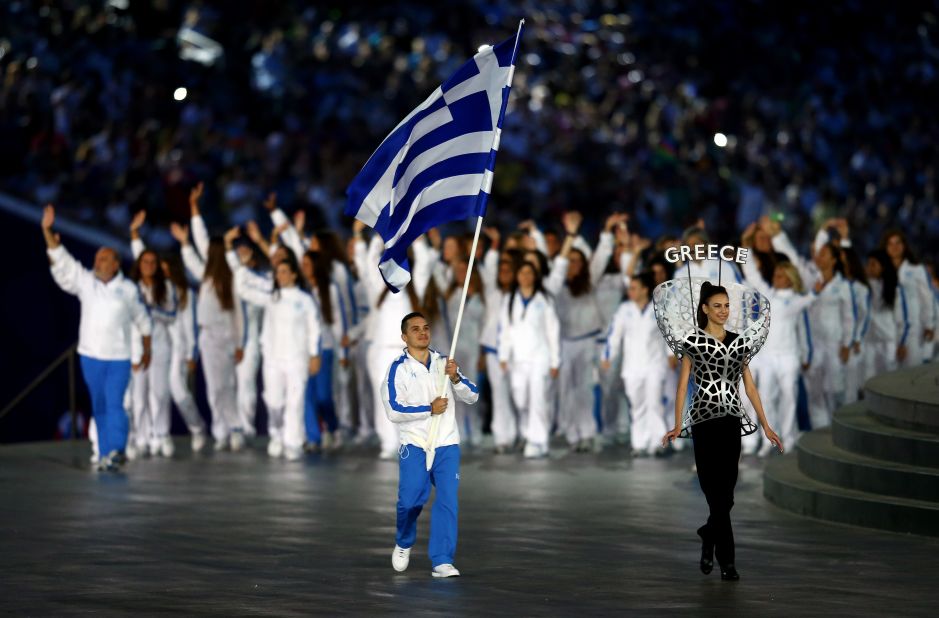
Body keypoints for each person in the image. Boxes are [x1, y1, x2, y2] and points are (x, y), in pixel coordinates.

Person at [661, 281, 783, 582]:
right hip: (703, 422)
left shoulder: (739, 341)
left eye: (727, 305)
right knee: (714, 492)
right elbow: (683, 384)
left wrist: (766, 424)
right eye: (717, 305)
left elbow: (749, 385)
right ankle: (727, 562)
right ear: (704, 309)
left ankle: (708, 534)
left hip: (730, 421)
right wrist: (678, 424)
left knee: (726, 494)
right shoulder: (693, 342)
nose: (723, 311)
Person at [41, 204, 152, 471]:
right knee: (99, 405)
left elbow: (143, 321)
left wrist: (146, 350)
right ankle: (105, 454)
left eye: (104, 259)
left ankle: (117, 450)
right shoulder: (87, 281)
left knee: (115, 404)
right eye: (97, 258)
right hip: (90, 356)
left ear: (115, 264)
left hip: (118, 358)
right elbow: (63, 261)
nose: (98, 262)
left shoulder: (127, 289)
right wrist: (46, 230)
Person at [384, 311, 479, 579]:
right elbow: (393, 409)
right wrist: (429, 408)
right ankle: (404, 541)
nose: (422, 332)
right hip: (415, 443)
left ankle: (442, 559)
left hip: (446, 443)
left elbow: (472, 396)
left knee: (448, 500)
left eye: (425, 328)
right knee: (411, 501)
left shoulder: (443, 363)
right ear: (404, 336)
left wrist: (456, 379)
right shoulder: (398, 369)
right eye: (415, 329)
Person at [232, 244, 323, 460]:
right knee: (273, 401)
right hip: (273, 358)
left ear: (293, 274)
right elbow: (242, 290)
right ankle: (276, 434)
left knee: (295, 401)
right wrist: (241, 267)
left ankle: (293, 442)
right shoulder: (271, 297)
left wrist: (314, 354)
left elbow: (314, 329)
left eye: (284, 272)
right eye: (277, 272)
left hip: (297, 359)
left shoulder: (305, 300)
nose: (280, 275)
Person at [172, 221, 246, 451]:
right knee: (214, 387)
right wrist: (184, 243)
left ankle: (236, 428)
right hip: (207, 338)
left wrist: (239, 343)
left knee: (228, 385)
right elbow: (192, 261)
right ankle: (220, 430)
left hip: (226, 338)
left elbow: (238, 316)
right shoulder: (205, 277)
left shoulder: (231, 278)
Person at [602, 272, 670, 457]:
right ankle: (639, 443)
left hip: (655, 365)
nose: (630, 291)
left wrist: (673, 354)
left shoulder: (660, 308)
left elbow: (670, 334)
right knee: (637, 405)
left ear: (645, 289)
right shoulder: (624, 310)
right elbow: (614, 334)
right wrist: (608, 355)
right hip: (632, 367)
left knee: (654, 403)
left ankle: (658, 442)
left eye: (633, 288)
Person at [498, 261, 561, 459]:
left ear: (535, 276)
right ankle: (527, 432)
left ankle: (538, 441)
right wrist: (503, 355)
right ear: (517, 276)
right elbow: (505, 330)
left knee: (538, 398)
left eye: (529, 273)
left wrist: (554, 361)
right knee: (520, 398)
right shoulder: (509, 299)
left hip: (540, 357)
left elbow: (553, 331)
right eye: (522, 273)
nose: (525, 277)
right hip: (518, 359)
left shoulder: (545, 299)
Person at [128, 211, 178, 458]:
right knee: (139, 395)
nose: (148, 265)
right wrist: (134, 232)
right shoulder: (131, 287)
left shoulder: (166, 287)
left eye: (152, 262)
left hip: (159, 345)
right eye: (144, 262)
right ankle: (141, 437)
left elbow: (172, 315)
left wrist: (152, 312)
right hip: (137, 347)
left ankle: (162, 435)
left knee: (159, 393)